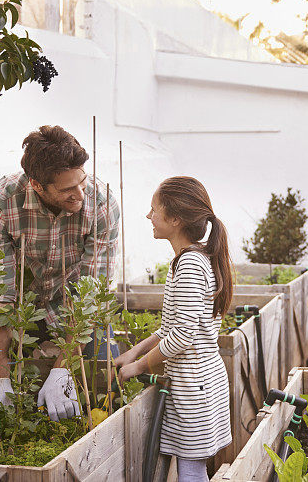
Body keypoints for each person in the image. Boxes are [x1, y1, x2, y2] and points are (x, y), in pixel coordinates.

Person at [0, 125, 119, 424]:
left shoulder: (101, 204)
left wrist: (63, 368)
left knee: (106, 381)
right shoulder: (0, 205)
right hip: (23, 313)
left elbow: (90, 296)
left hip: (76, 311)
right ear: (37, 185)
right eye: (67, 189)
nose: (80, 193)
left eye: (82, 181)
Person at [115, 176, 232, 482]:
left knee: (190, 470)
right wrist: (134, 351)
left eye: (154, 209)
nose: (148, 216)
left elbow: (183, 335)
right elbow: (171, 327)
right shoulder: (189, 259)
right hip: (199, 380)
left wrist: (138, 366)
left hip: (195, 385)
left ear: (175, 219)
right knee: (189, 466)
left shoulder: (190, 265)